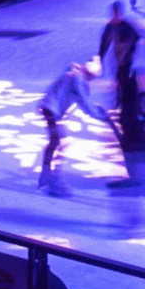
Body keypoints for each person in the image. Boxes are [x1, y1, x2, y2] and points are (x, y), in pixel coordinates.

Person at [38, 61, 110, 194]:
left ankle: (48, 175)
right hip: (51, 109)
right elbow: (84, 103)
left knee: (59, 141)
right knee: (60, 141)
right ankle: (52, 178)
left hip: (51, 108)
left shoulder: (73, 74)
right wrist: (101, 116)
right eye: (92, 76)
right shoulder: (77, 79)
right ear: (90, 74)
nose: (91, 79)